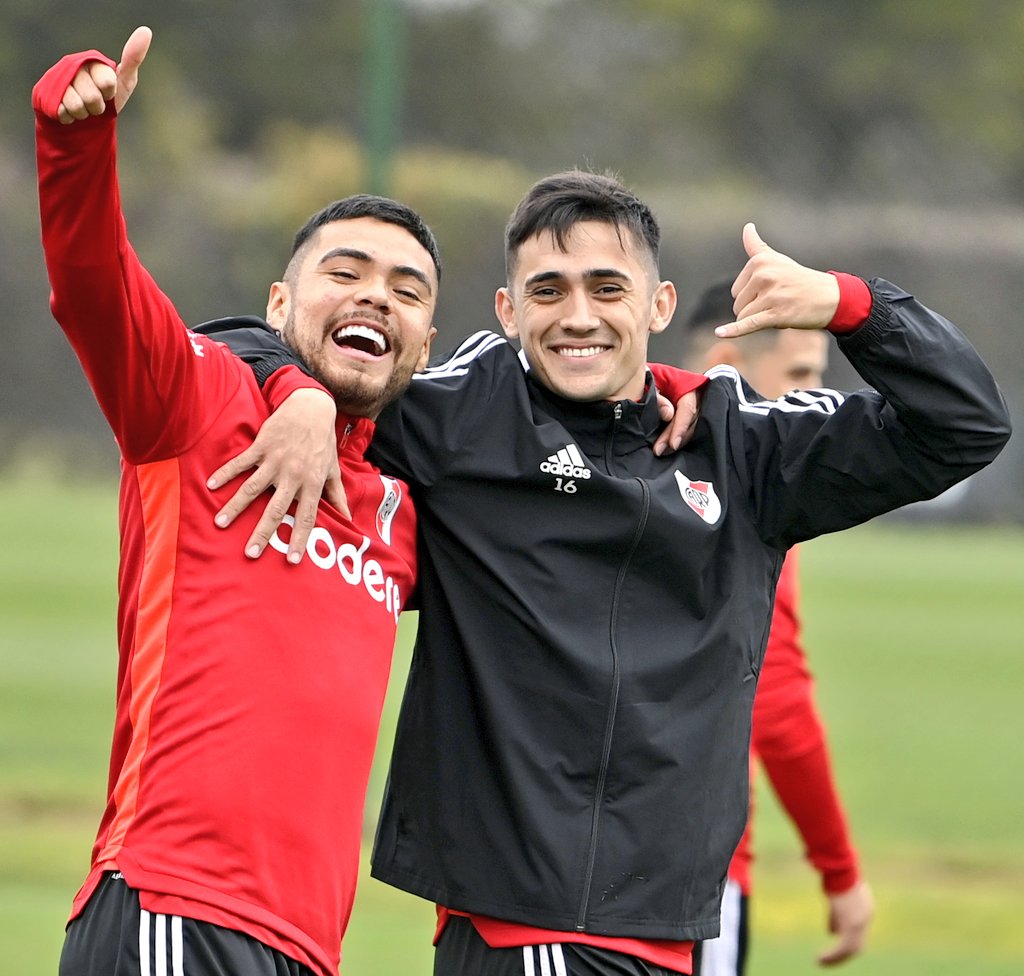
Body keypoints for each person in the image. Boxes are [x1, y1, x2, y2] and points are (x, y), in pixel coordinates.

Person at [203, 171, 1010, 976]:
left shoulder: (744, 450)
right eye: (548, 290)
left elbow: (964, 424)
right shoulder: (458, 418)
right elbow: (224, 352)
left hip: (668, 938)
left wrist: (849, 304)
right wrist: (298, 391)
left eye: (607, 287)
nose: (578, 316)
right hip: (531, 936)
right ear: (509, 312)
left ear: (658, 307)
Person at [33, 28, 442, 976]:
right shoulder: (196, 404)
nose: (376, 297)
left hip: (306, 946)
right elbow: (93, 286)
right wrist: (75, 144)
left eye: (407, 290)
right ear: (278, 304)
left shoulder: (405, 516)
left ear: (427, 342)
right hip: (172, 908)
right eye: (345, 273)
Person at [683, 282, 873, 975]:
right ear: (724, 364)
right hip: (690, 877)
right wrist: (841, 871)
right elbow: (776, 699)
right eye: (800, 375)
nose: (818, 401)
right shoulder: (737, 489)